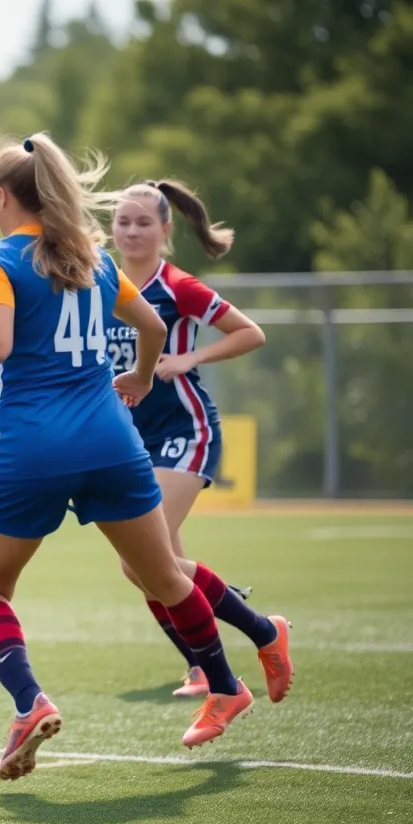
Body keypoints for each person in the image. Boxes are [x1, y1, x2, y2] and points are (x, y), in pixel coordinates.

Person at [0, 133, 290, 781]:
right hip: (114, 443)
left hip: (34, 450)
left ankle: (29, 702)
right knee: (166, 577)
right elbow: (151, 327)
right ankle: (227, 684)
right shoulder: (91, 257)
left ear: (2, 196)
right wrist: (142, 377)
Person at [110, 180, 290, 698]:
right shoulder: (104, 282)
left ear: (166, 229)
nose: (132, 231)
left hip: (186, 430)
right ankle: (200, 666)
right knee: (150, 567)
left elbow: (249, 332)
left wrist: (189, 358)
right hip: (132, 440)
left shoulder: (176, 286)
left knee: (143, 560)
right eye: (123, 221)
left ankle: (259, 627)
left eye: (144, 222)